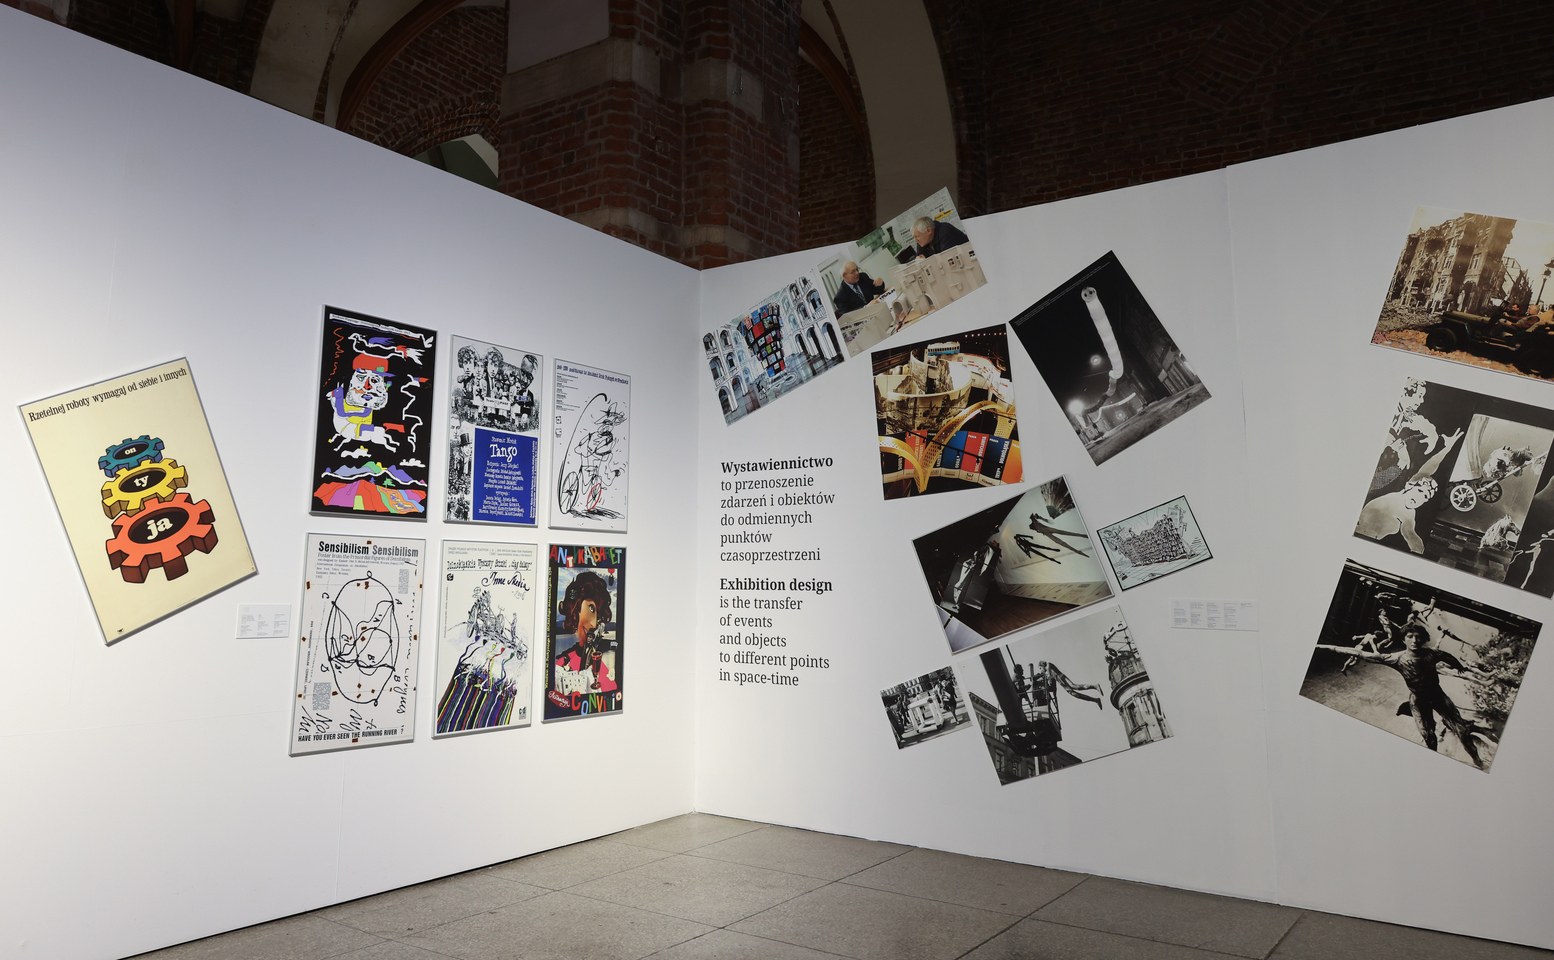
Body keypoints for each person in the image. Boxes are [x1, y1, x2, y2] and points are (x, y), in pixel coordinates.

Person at [1316, 623, 1491, 768]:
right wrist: (1328, 647)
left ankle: (1477, 761)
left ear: (1423, 639)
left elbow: (1447, 656)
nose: (1414, 640)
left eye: (1418, 637)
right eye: (1410, 636)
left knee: (1462, 730)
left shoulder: (1431, 654)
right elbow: (1361, 653)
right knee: (1429, 736)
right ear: (1403, 639)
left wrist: (1459, 666)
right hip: (1418, 700)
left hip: (1437, 695)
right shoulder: (1397, 658)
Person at [554, 571, 617, 693]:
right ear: (574, 611)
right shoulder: (563, 661)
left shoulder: (603, 661)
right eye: (591, 609)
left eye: (597, 615)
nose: (593, 623)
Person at [899, 216, 971, 262]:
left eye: (917, 236)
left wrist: (927, 261)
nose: (916, 240)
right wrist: (920, 260)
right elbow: (919, 258)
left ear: (928, 231)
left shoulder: (945, 230)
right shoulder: (923, 241)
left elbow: (947, 259)